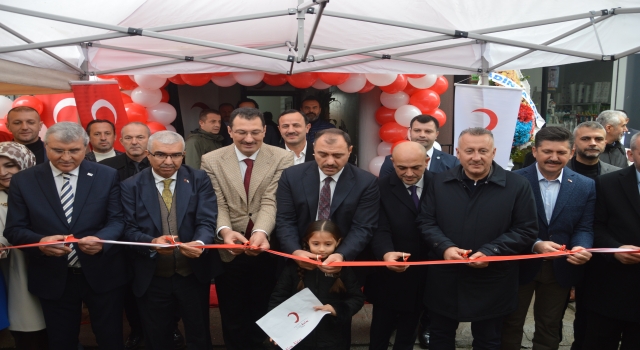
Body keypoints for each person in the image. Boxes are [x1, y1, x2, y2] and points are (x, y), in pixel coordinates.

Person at [4, 122, 126, 350]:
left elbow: (117, 220)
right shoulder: (24, 180)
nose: (66, 157)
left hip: (102, 273)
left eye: (74, 150)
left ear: (85, 147)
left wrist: (102, 241)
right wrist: (39, 243)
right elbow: (14, 229)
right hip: (53, 275)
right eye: (58, 150)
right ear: (46, 146)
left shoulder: (106, 175)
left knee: (110, 338)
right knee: (61, 341)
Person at [417, 127, 538, 349]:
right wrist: (444, 248)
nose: (476, 157)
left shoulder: (517, 186)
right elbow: (426, 221)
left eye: (483, 150)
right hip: (446, 278)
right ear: (457, 153)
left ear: (493, 152)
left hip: (493, 279)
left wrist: (493, 251)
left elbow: (526, 229)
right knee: (440, 337)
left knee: (489, 340)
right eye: (469, 150)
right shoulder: (438, 182)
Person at [200, 107, 293, 349]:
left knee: (264, 308)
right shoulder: (211, 160)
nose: (249, 139)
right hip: (228, 249)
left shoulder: (282, 157)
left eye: (255, 132)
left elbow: (271, 200)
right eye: (241, 132)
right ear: (229, 131)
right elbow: (216, 201)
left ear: (265, 130)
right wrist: (224, 232)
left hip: (266, 246)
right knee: (232, 311)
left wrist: (260, 233)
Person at [121, 130, 217, 350]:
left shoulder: (198, 179)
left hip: (191, 273)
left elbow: (206, 220)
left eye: (175, 155)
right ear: (148, 154)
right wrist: (151, 243)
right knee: (157, 336)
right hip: (152, 276)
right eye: (160, 155)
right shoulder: (130, 186)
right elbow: (128, 229)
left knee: (199, 334)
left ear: (183, 155)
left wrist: (201, 244)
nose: (168, 161)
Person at [501, 127, 595, 350]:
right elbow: (504, 224)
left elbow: (584, 225)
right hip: (519, 264)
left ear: (571, 153)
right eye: (547, 151)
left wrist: (581, 247)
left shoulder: (585, 185)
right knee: (510, 323)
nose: (554, 158)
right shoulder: (513, 181)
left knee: (550, 326)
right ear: (535, 151)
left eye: (561, 152)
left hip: (560, 268)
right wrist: (535, 244)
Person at [276, 128, 379, 275]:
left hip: (346, 266)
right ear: (314, 149)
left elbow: (363, 227)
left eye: (338, 155)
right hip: (298, 263)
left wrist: (342, 255)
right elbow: (285, 220)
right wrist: (295, 251)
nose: (330, 162)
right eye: (323, 154)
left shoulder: (366, 182)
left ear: (350, 151)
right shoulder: (291, 176)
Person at [366, 141, 433, 350]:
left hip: (426, 272)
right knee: (381, 328)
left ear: (427, 161)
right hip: (389, 272)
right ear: (392, 162)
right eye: (402, 168)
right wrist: (386, 253)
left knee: (409, 328)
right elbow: (378, 227)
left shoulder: (440, 185)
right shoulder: (379, 187)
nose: (409, 173)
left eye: (416, 167)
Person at [579, 132, 640, 349]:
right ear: (631, 154)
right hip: (610, 287)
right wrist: (616, 249)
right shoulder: (607, 183)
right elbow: (594, 225)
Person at [268, 220, 365, 350]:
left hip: (333, 338)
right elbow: (279, 297)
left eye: (328, 244)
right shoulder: (293, 267)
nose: (321, 249)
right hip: (299, 338)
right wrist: (274, 328)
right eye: (316, 243)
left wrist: (336, 309)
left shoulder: (344, 269)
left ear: (338, 242)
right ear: (307, 241)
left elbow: (357, 298)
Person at [98, 122, 151, 349]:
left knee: (161, 287)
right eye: (129, 138)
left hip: (155, 236)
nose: (135, 142)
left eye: (140, 137)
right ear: (120, 141)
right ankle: (137, 330)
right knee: (129, 289)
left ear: (149, 139)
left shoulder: (164, 162)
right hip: (121, 239)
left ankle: (171, 328)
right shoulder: (108, 168)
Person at [0, 142, 47, 350]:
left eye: (10, 165)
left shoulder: (44, 190)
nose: (2, 173)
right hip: (10, 270)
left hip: (47, 265)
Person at [379, 114, 459, 178]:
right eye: (417, 131)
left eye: (428, 131)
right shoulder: (393, 160)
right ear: (410, 132)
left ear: (436, 134)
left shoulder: (452, 162)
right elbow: (385, 190)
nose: (422, 135)